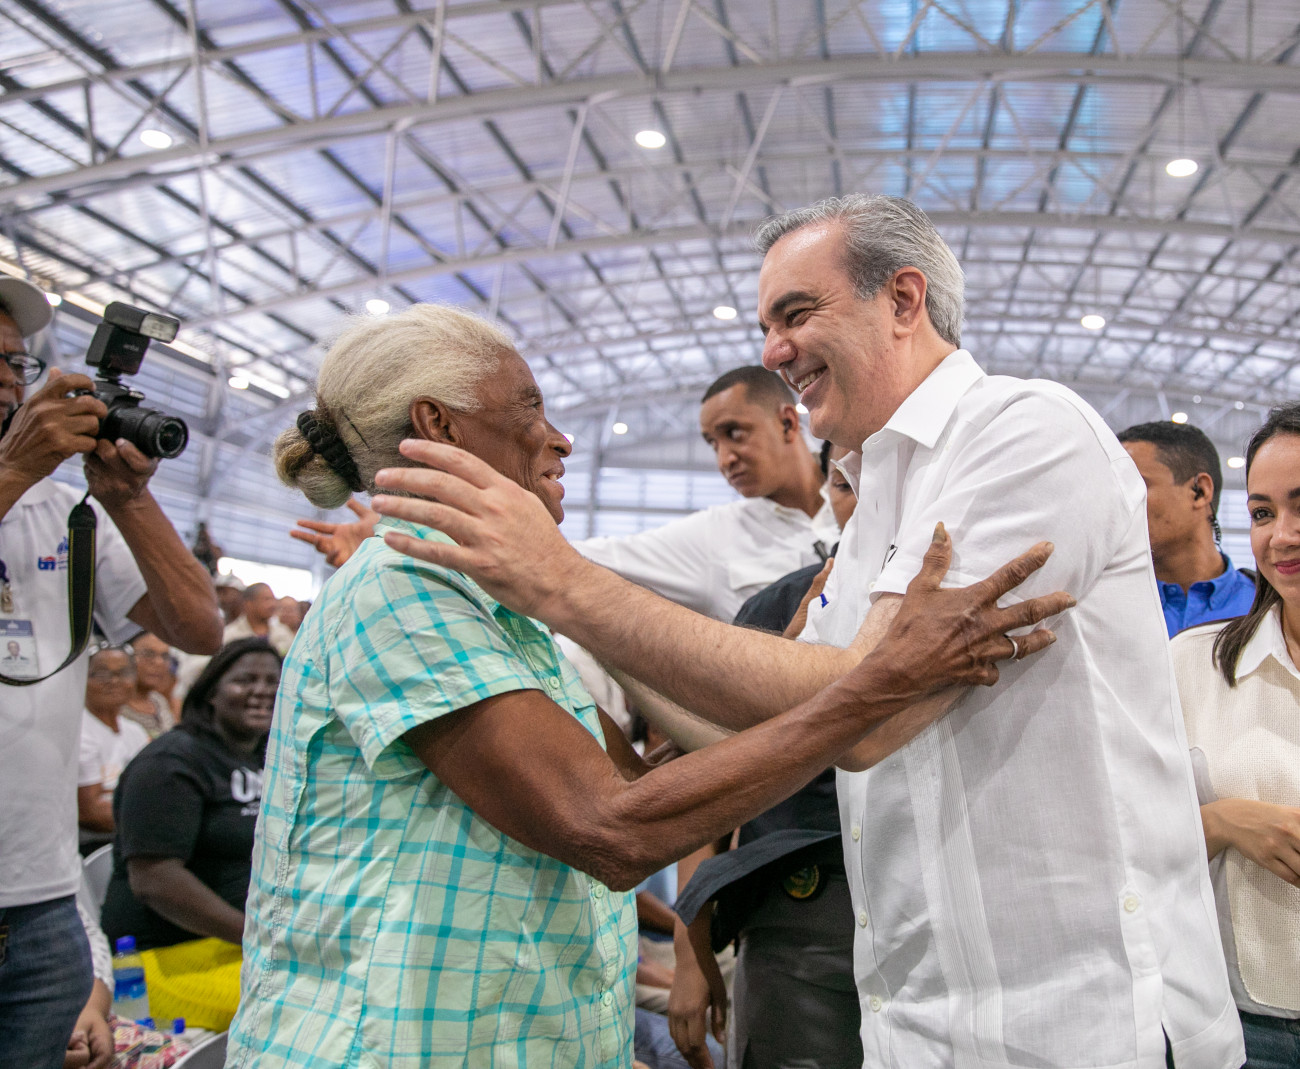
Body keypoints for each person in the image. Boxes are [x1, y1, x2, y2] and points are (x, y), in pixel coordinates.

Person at [372, 194, 1243, 1069]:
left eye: (795, 314)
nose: (772, 351)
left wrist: (566, 583)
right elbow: (793, 722)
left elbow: (865, 717)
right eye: (766, 325)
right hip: (926, 1026)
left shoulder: (1024, 433)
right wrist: (571, 611)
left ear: (903, 299)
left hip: (1088, 1023)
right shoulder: (876, 505)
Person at [226, 303, 1068, 1069]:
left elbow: (648, 785)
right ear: (438, 424)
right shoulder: (401, 584)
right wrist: (877, 684)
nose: (560, 440)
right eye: (530, 409)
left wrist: (800, 680)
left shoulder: (497, 608)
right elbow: (613, 826)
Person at [0, 275, 221, 1068]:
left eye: (15, 363)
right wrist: (15, 471)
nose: (7, 380)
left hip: (40, 901)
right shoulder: (24, 485)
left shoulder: (62, 512)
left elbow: (198, 625)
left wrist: (126, 499)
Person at [288, 365, 839, 625]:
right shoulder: (712, 538)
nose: (724, 458)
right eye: (712, 442)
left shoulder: (865, 498)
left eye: (735, 433)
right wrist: (424, 532)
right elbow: (574, 560)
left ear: (788, 422)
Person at [671, 441, 860, 1069]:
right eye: (844, 482)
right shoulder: (778, 609)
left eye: (885, 474)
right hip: (798, 916)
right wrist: (689, 952)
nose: (863, 496)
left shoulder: (961, 601)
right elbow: (709, 781)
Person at [1170, 403, 1300, 1066]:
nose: (1282, 537)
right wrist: (1219, 822)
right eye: (1263, 512)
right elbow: (1125, 841)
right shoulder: (1192, 666)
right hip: (1248, 1030)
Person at [101, 637, 278, 1030]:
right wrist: (257, 935)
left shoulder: (266, 758)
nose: (263, 691)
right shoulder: (171, 761)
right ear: (210, 692)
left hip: (237, 945)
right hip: (162, 956)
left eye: (274, 683)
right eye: (245, 680)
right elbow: (155, 879)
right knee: (304, 1004)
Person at [1119, 420, 1257, 636]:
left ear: (1199, 491)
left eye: (1134, 485)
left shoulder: (1271, 607)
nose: (1118, 502)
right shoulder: (1102, 606)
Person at [78, 644, 151, 849]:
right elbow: (91, 813)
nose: (114, 681)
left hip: (133, 838)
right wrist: (154, 811)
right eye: (102, 674)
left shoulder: (135, 732)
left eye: (124, 673)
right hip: (94, 845)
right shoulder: (79, 732)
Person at [119, 631, 178, 737]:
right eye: (148, 654)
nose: (159, 662)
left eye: (165, 656)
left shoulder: (159, 701)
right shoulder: (116, 707)